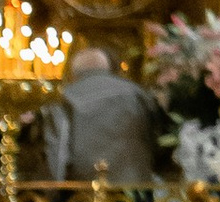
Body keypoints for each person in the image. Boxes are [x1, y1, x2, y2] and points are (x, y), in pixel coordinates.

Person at [40, 44, 158, 189]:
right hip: (136, 187)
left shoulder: (64, 97)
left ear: (73, 73)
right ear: (108, 68)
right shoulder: (137, 93)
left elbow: (57, 152)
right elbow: (155, 139)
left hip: (86, 193)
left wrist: (54, 195)